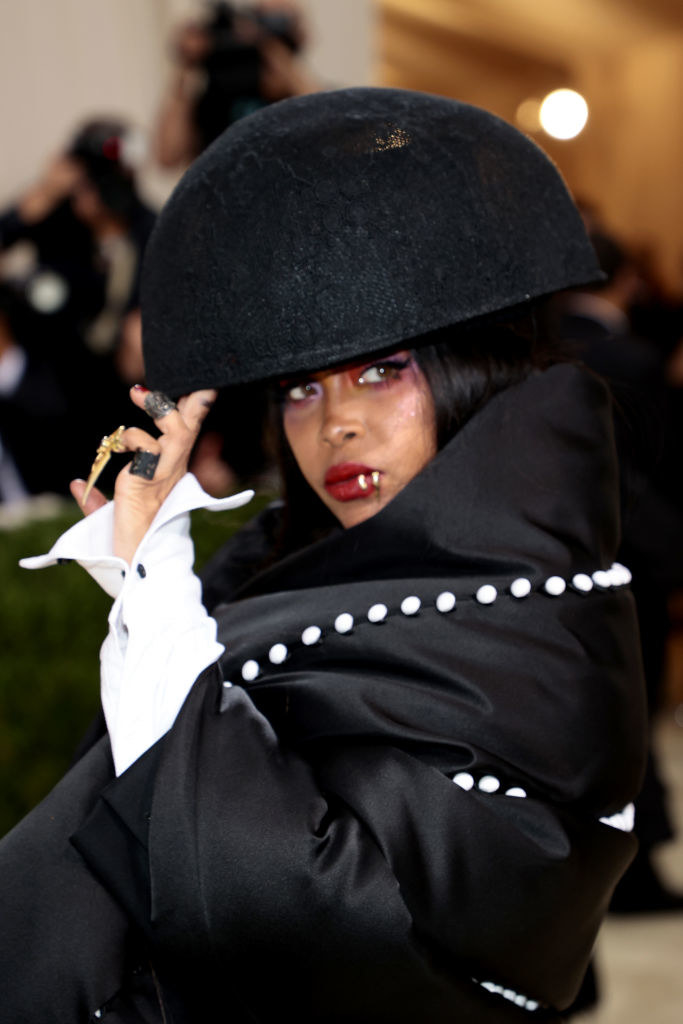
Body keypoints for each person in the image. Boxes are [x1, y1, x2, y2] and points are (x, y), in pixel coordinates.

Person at [1, 88, 647, 1022]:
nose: (337, 421)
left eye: (384, 371)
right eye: (302, 386)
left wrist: (157, 589)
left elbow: (306, 908)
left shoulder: (543, 627)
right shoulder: (287, 567)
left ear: (473, 371)